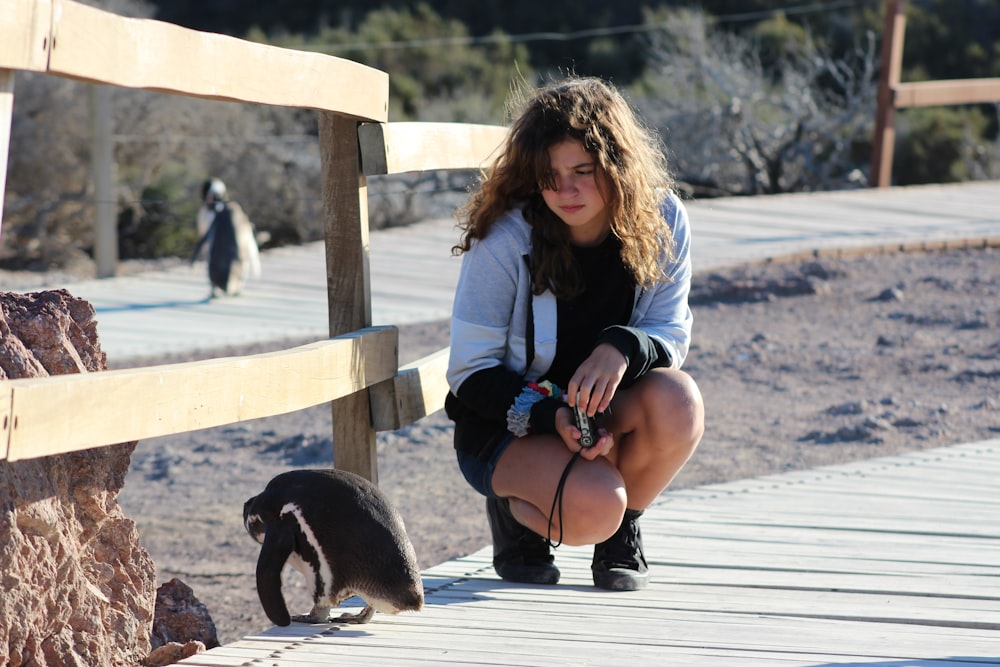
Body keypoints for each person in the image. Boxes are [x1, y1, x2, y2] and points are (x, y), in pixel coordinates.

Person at [445, 76, 704, 591]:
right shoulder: (504, 239)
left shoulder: (662, 218)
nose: (565, 191)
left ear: (618, 167)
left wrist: (621, 347)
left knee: (679, 400)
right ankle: (515, 513)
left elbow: (671, 328)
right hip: (507, 426)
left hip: (602, 418)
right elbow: (469, 373)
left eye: (583, 172)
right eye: (550, 175)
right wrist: (549, 414)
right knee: (593, 508)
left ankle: (622, 533)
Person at [191, 178, 261, 297]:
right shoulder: (206, 213)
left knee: (239, 260)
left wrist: (254, 261)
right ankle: (215, 286)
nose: (210, 199)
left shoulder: (233, 211)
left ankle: (237, 285)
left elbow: (247, 236)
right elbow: (203, 234)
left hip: (235, 251)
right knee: (214, 262)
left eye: (213, 195)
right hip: (215, 252)